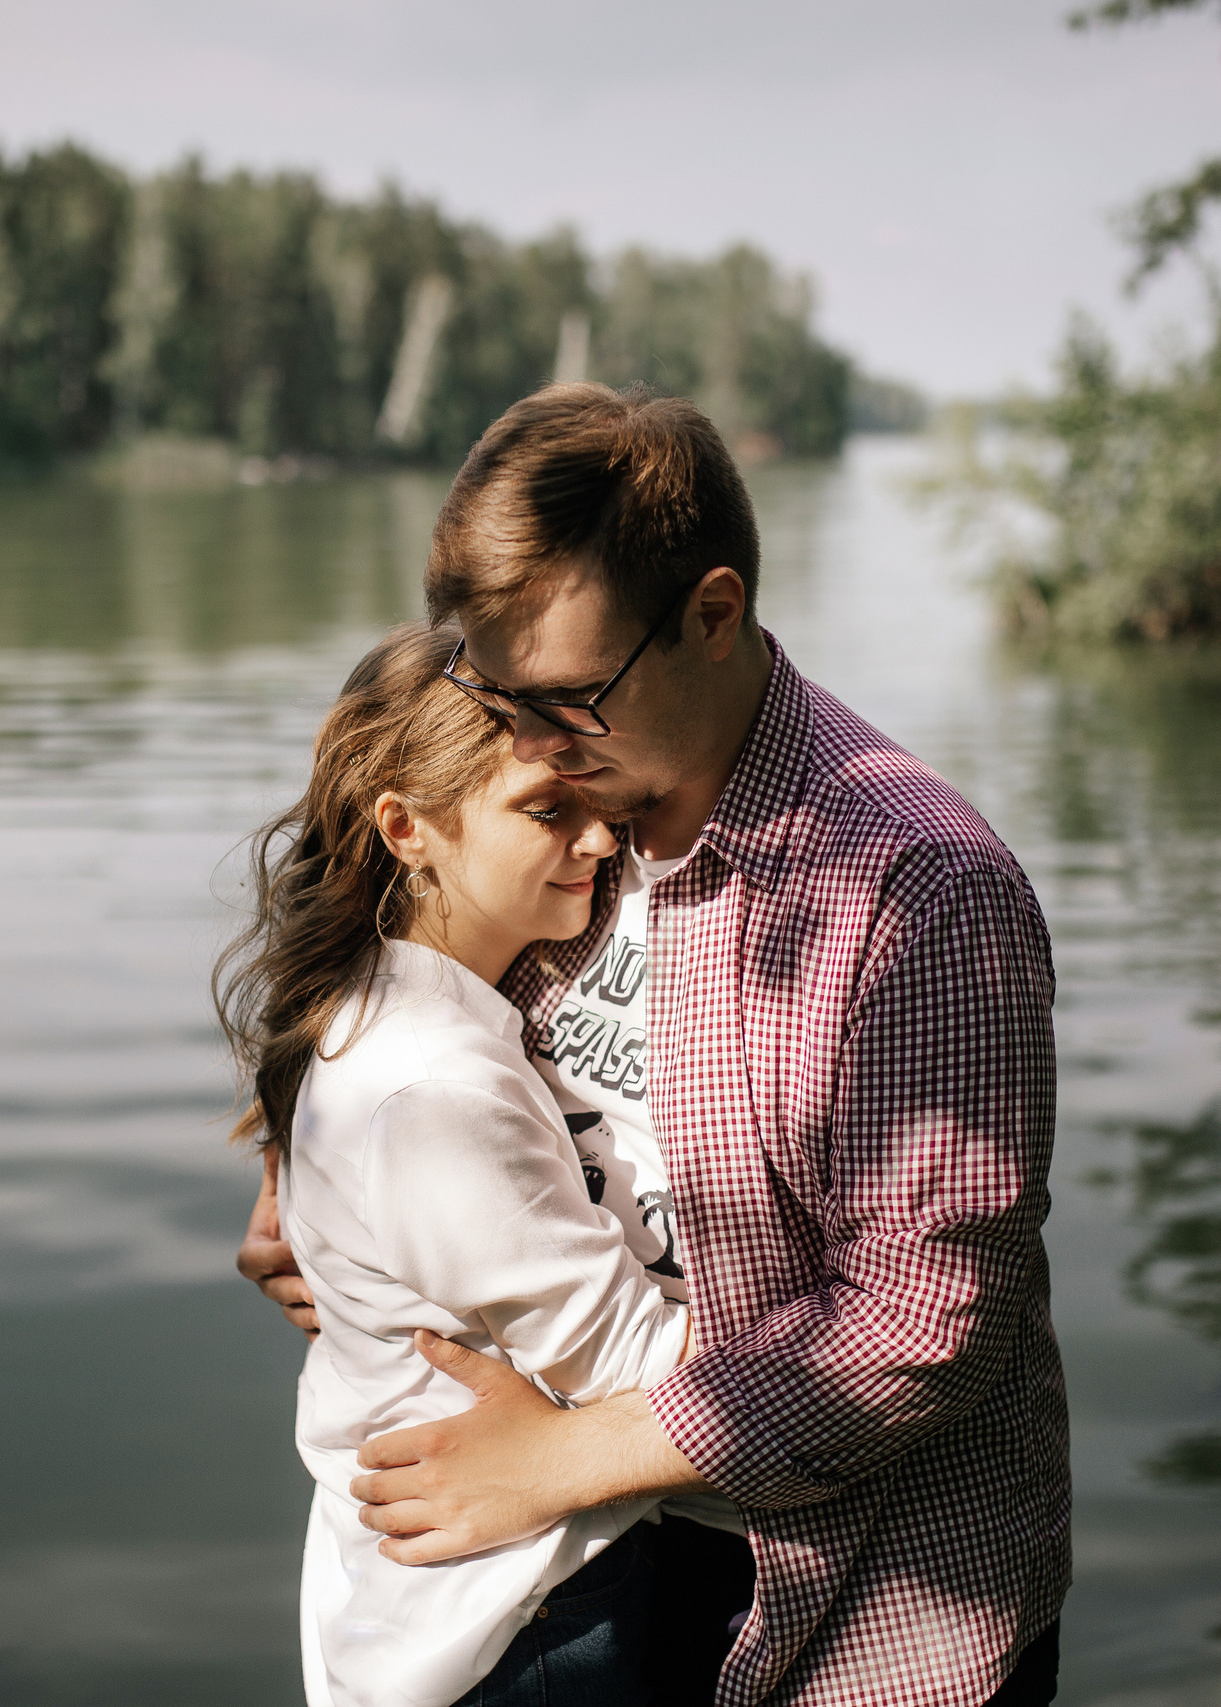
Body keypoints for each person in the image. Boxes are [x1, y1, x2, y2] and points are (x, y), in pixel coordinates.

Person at [238, 384, 1069, 1706]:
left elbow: (922, 1323)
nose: (527, 745)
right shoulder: (578, 805)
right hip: (592, 1586)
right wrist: (311, 1170)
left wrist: (558, 1461)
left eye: (564, 698)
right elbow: (404, 955)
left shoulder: (918, 889)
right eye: (493, 692)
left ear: (714, 614)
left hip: (854, 1621)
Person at [215, 623, 697, 1707]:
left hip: (440, 1593)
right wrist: (851, 1363)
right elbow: (625, 1356)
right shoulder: (429, 1089)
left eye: (596, 802)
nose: (599, 842)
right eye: (547, 810)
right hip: (524, 1611)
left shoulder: (376, 1014)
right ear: (408, 830)